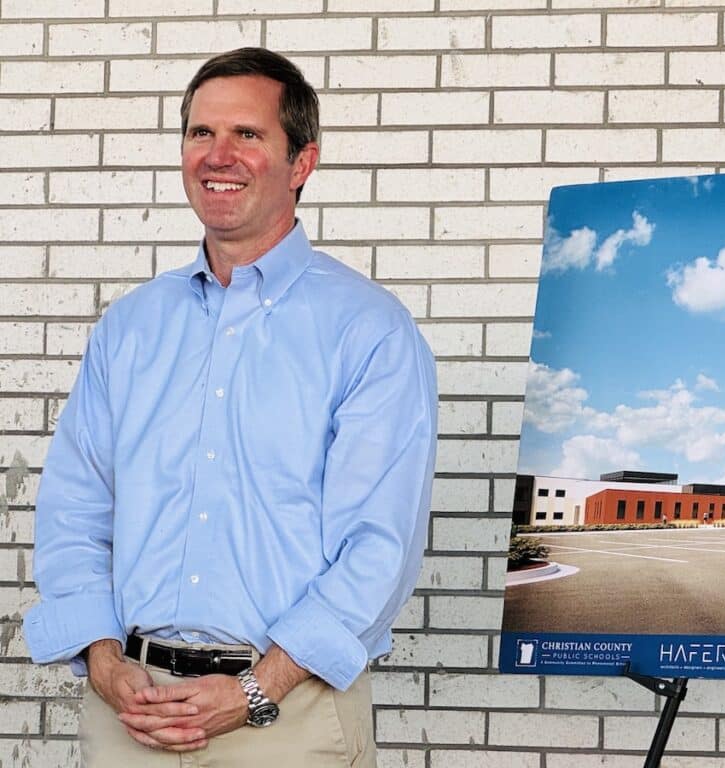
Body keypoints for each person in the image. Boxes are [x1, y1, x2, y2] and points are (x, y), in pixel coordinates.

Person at [24, 47, 437, 767]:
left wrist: (255, 688)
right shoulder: (129, 328)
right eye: (199, 133)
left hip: (289, 720)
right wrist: (104, 663)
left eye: (247, 134)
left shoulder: (367, 330)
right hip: (132, 714)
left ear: (301, 163)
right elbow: (74, 510)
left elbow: (379, 548)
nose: (219, 155)